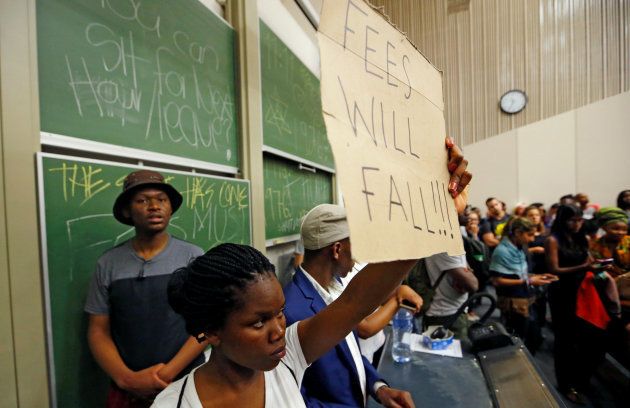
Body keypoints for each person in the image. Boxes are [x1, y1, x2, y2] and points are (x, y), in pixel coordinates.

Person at [151, 137, 471, 408]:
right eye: (259, 322)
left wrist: (434, 211)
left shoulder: (287, 357)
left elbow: (356, 302)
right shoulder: (172, 403)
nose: (279, 329)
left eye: (278, 314)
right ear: (212, 331)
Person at [85, 170, 207, 407]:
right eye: (142, 200)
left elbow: (206, 324)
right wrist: (127, 379)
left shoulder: (193, 257)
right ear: (127, 211)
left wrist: (167, 374)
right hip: (129, 391)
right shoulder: (108, 263)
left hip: (187, 380)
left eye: (161, 200)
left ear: (170, 208)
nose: (154, 206)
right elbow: (98, 330)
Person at [283, 204, 416, 406]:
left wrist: (379, 388)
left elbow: (350, 354)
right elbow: (297, 400)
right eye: (357, 246)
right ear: (337, 249)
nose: (359, 256)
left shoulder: (336, 290)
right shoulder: (292, 311)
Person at [545, 204, 614, 404]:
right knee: (565, 342)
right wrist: (584, 266)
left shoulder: (582, 238)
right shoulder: (553, 240)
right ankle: (566, 385)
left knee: (593, 339)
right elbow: (554, 269)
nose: (576, 224)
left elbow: (590, 261)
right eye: (572, 220)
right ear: (562, 220)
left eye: (579, 220)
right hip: (562, 293)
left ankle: (580, 379)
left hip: (583, 291)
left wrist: (599, 265)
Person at [489, 217, 557, 353]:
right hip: (512, 301)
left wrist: (538, 276)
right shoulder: (502, 251)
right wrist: (529, 281)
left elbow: (518, 274)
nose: (532, 239)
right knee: (517, 338)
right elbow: (496, 280)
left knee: (533, 337)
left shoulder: (518, 248)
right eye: (529, 234)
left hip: (524, 298)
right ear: (518, 232)